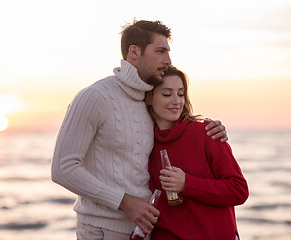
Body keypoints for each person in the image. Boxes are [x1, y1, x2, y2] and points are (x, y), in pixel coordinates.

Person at [51, 19, 228, 240]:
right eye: (160, 51)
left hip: (145, 231)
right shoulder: (95, 97)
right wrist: (124, 202)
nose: (168, 60)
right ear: (134, 52)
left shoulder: (149, 101)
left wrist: (213, 129)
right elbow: (62, 168)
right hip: (101, 231)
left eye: (168, 52)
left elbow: (177, 126)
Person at [145, 65, 249, 240]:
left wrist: (187, 184)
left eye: (181, 93)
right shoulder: (143, 143)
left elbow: (239, 190)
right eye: (166, 94)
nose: (176, 101)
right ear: (149, 98)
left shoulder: (207, 133)